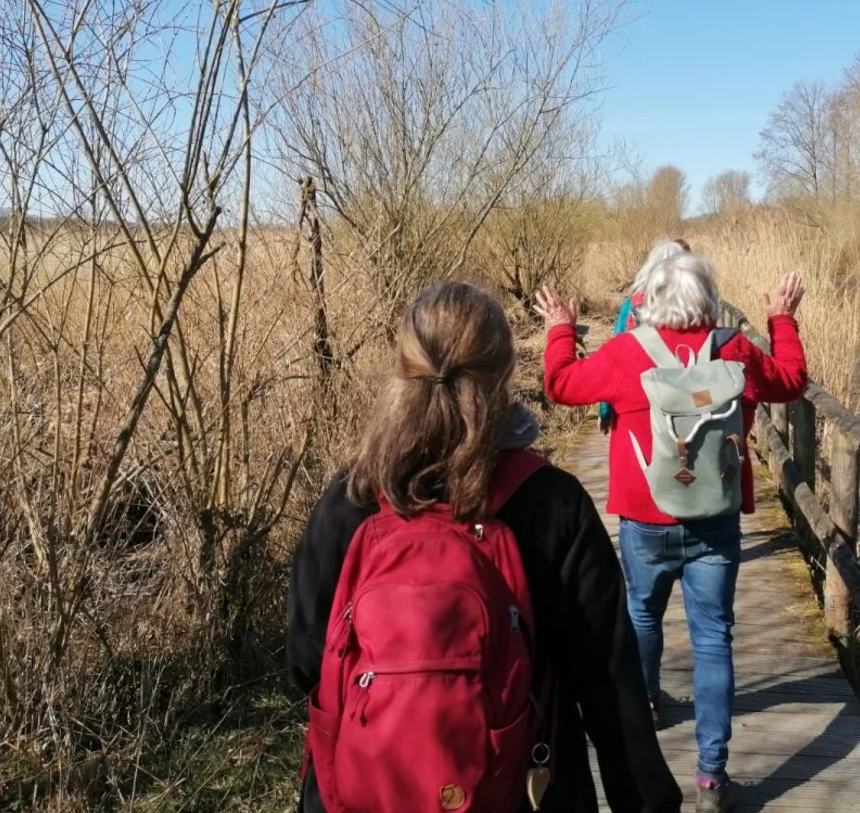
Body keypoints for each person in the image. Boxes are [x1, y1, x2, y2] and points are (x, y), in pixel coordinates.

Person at [287, 281, 681, 813]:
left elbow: (307, 663)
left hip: (363, 792)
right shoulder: (552, 503)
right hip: (522, 788)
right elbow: (610, 683)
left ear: (401, 368)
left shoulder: (349, 500)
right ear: (505, 374)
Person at [533, 256, 807, 813]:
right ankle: (711, 778)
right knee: (713, 640)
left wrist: (561, 327)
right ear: (708, 294)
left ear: (646, 298)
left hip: (646, 518)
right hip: (717, 520)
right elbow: (791, 382)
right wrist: (781, 320)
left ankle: (649, 704)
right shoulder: (733, 349)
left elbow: (560, 385)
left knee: (640, 616)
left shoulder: (628, 352)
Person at [598, 238, 691, 435]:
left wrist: (605, 410)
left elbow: (615, 358)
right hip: (688, 407)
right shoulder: (699, 310)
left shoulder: (632, 306)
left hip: (638, 403)